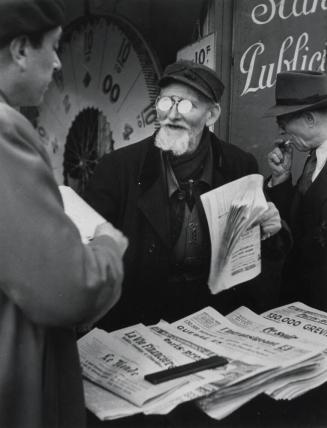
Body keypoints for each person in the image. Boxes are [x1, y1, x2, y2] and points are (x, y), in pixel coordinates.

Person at [84, 59, 286, 333]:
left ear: (212, 114)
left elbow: (253, 252)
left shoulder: (240, 165)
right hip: (137, 322)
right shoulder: (118, 168)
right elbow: (88, 250)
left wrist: (270, 230)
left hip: (214, 321)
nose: (172, 115)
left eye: (187, 105)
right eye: (166, 103)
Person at [0, 1, 127, 428]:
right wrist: (109, 244)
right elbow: (69, 290)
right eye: (52, 48)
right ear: (20, 49)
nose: (57, 63)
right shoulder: (5, 132)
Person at [266, 70, 327, 311]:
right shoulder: (313, 159)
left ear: (310, 119)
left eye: (284, 125)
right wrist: (281, 179)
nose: (283, 137)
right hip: (300, 305)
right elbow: (300, 222)